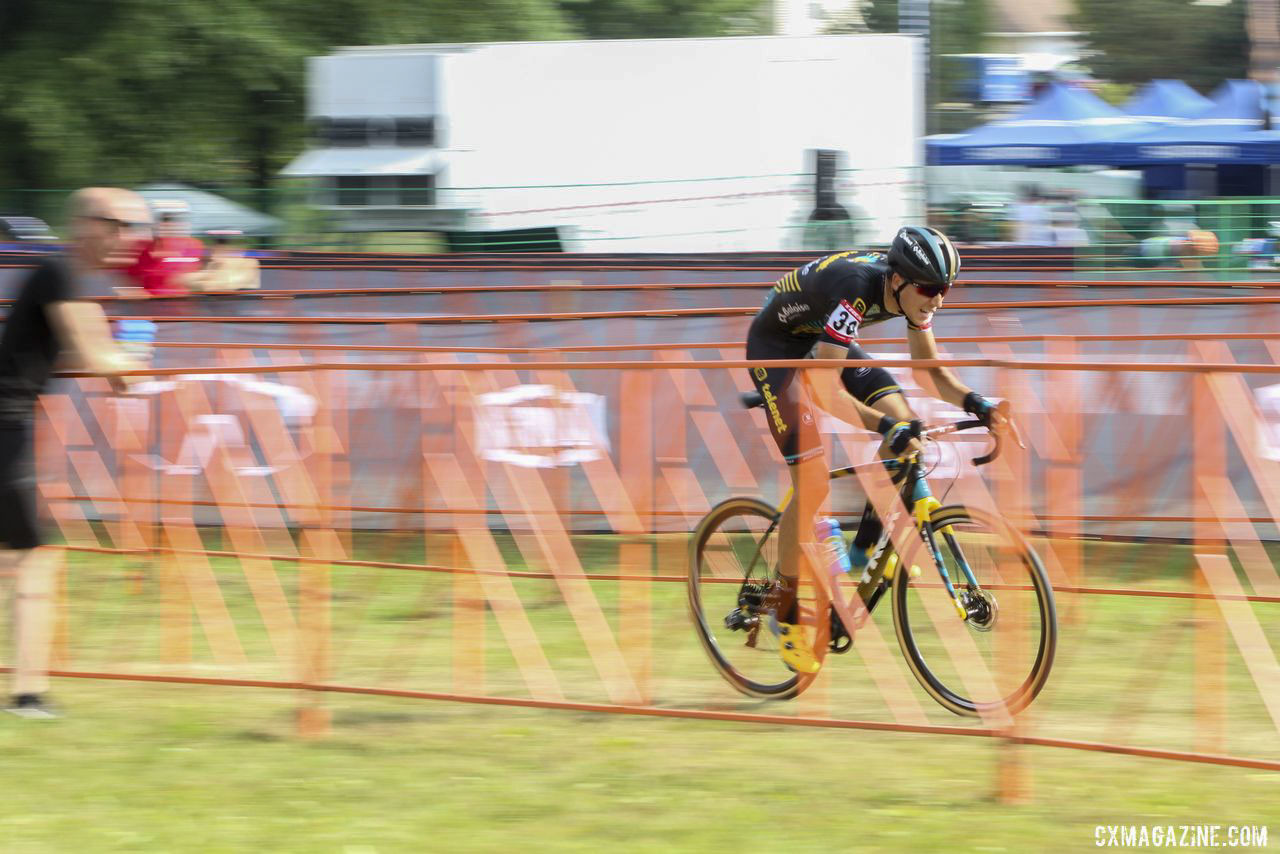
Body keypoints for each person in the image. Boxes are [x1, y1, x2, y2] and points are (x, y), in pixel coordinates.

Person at [745, 225, 1006, 673]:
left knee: (908, 426)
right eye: (929, 288)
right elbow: (827, 393)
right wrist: (886, 425)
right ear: (899, 279)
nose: (937, 299)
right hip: (776, 348)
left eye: (945, 289)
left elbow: (930, 374)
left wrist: (979, 404)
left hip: (817, 336)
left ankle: (866, 551)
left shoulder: (913, 297)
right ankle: (785, 612)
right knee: (811, 480)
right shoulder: (856, 290)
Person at [1, 187, 148, 718]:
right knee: (30, 559)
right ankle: (28, 694)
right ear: (87, 223)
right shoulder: (60, 273)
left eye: (137, 228)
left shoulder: (73, 278)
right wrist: (129, 360)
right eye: (121, 225)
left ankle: (28, 692)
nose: (131, 239)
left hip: (11, 424)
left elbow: (102, 364)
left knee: (19, 558)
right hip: (4, 424)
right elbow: (97, 356)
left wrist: (123, 366)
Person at [122, 199, 204, 297]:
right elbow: (130, 280)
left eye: (172, 220)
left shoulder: (193, 246)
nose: (168, 224)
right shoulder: (141, 248)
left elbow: (196, 276)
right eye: (164, 219)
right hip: (149, 306)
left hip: (181, 304)